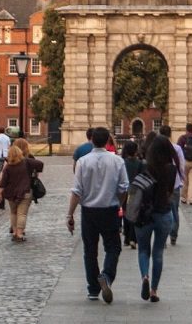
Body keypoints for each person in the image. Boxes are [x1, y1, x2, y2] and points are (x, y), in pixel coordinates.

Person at [66, 126, 129, 303]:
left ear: (92, 140)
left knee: (90, 251)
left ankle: (93, 289)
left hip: (89, 212)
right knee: (113, 247)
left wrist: (69, 215)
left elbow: (76, 191)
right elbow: (124, 188)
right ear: (109, 140)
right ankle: (106, 276)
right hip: (109, 210)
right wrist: (119, 203)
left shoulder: (83, 162)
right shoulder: (117, 161)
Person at [135, 134, 178, 303]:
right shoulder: (171, 169)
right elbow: (169, 192)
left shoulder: (143, 167)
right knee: (158, 253)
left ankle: (145, 276)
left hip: (144, 214)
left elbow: (137, 188)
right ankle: (153, 291)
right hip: (163, 213)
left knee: (143, 250)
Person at [0, 144, 44, 242]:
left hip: (10, 193)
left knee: (13, 213)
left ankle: (14, 232)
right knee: (22, 214)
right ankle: (19, 234)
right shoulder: (27, 162)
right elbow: (40, 164)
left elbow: (3, 182)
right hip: (25, 191)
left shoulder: (8, 167)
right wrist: (35, 173)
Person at [159, 124, 185, 246]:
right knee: (174, 210)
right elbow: (181, 166)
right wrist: (182, 179)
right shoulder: (177, 148)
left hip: (160, 185)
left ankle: (162, 237)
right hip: (174, 183)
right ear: (170, 134)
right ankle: (173, 236)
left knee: (161, 211)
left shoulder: (156, 149)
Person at [121, 140, 143, 249]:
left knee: (125, 213)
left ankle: (126, 238)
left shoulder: (122, 162)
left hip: (125, 190)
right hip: (136, 190)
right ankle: (133, 238)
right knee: (134, 214)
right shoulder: (140, 163)